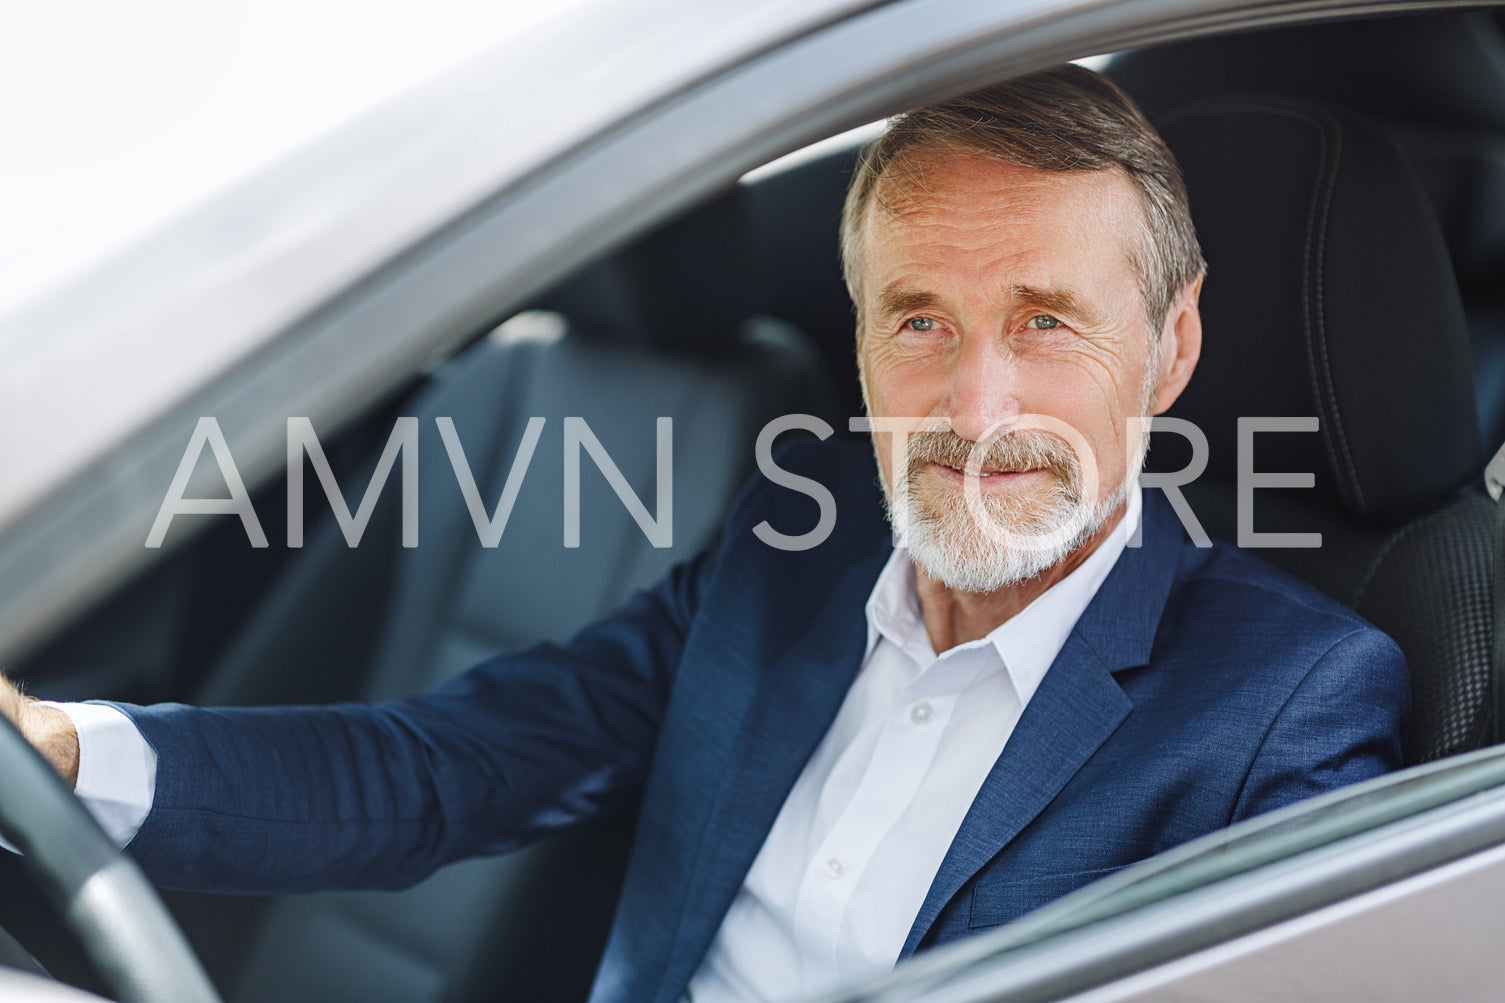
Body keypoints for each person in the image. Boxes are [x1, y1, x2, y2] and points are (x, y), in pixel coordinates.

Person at [0, 66, 1406, 1002]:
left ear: (1168, 349)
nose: (975, 408)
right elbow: (447, 771)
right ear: (852, 343)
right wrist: (63, 758)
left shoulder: (1285, 705)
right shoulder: (792, 556)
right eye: (919, 322)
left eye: (1046, 325)